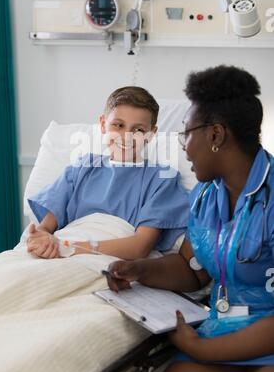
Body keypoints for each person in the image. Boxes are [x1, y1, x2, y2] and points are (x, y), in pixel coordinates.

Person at [106, 66, 274, 372]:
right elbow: (191, 269)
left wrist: (201, 349)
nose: (183, 146)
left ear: (215, 135)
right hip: (222, 331)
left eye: (186, 134)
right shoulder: (205, 195)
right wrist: (138, 269)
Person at [27, 86, 189, 260]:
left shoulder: (161, 179)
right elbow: (45, 228)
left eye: (139, 130)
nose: (126, 136)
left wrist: (67, 248)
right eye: (118, 125)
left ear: (151, 134)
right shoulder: (82, 168)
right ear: (103, 124)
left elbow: (139, 247)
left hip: (105, 258)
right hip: (64, 246)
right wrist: (41, 240)